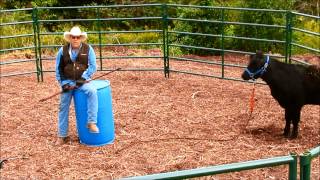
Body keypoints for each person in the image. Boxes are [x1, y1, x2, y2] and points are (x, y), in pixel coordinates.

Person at [55, 26, 99, 145]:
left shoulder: (88, 49)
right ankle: (62, 135)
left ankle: (91, 122)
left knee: (93, 92)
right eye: (73, 37)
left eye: (77, 37)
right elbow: (58, 69)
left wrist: (83, 78)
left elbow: (93, 66)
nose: (75, 39)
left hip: (82, 82)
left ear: (81, 38)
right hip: (68, 83)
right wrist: (63, 83)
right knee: (63, 107)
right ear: (70, 38)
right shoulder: (62, 50)